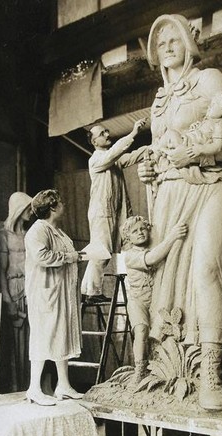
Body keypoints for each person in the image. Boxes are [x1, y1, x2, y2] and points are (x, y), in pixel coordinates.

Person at [137, 14, 222, 411]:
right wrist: (147, 167)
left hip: (212, 185)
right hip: (170, 194)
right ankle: (175, 368)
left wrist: (203, 151)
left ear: (189, 42)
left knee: (206, 270)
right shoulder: (157, 100)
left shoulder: (210, 80)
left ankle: (211, 373)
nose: (167, 48)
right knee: (168, 286)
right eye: (161, 43)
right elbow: (157, 150)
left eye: (174, 40)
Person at [25, 189, 84, 406]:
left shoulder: (56, 231)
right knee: (44, 335)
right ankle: (33, 388)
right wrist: (70, 257)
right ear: (52, 207)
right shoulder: (38, 231)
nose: (64, 205)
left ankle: (64, 385)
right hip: (44, 293)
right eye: (61, 202)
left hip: (60, 292)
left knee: (61, 334)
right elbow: (41, 256)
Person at [81, 119, 147, 304]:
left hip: (113, 212)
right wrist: (133, 133)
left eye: (106, 131)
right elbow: (115, 153)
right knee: (101, 252)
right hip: (101, 212)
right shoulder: (96, 160)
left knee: (106, 251)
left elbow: (130, 156)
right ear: (94, 142)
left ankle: (88, 291)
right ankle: (91, 292)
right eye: (102, 134)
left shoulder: (112, 159)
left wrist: (152, 148)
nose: (107, 134)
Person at [121, 215, 188, 383]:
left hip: (156, 301)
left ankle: (155, 365)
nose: (140, 233)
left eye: (143, 229)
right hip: (138, 302)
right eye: (135, 231)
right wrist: (173, 236)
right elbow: (151, 259)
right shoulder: (130, 255)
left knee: (159, 333)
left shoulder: (152, 247)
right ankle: (139, 368)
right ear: (128, 237)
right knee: (141, 331)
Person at [0, 192, 33, 392]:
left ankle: (30, 386)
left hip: (30, 290)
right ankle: (15, 387)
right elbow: (1, 272)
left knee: (31, 342)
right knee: (15, 344)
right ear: (18, 208)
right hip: (14, 289)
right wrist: (8, 301)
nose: (30, 211)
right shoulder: (4, 236)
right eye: (27, 207)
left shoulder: (29, 235)